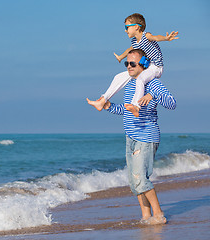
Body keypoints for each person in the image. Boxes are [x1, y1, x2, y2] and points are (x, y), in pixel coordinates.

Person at [88, 49, 176, 224]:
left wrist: (152, 94)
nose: (128, 66)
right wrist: (109, 106)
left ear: (143, 64)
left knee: (140, 178)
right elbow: (125, 110)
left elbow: (172, 103)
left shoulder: (153, 84)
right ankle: (145, 216)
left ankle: (158, 215)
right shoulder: (130, 84)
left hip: (146, 137)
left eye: (132, 63)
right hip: (130, 138)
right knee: (134, 181)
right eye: (126, 63)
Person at [87, 13, 178, 117]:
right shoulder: (135, 42)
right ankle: (103, 100)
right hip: (145, 66)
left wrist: (166, 38)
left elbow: (156, 38)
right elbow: (128, 50)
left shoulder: (146, 36)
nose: (125, 30)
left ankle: (136, 106)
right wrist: (121, 57)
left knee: (140, 79)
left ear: (136, 27)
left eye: (127, 27)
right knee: (119, 77)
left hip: (155, 67)